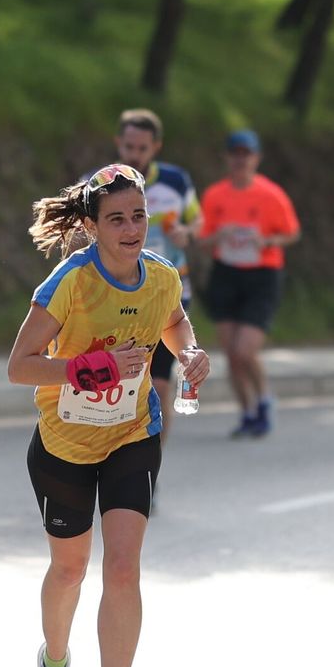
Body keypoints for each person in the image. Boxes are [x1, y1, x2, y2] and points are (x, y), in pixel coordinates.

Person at [7, 163, 211, 667]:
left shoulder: (162, 277)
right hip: (65, 442)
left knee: (122, 568)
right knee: (70, 569)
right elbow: (19, 366)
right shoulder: (70, 281)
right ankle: (54, 660)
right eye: (116, 219)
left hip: (131, 434)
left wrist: (192, 353)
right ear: (93, 226)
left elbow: (173, 323)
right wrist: (86, 369)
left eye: (139, 216)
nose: (131, 229)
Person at [196, 129, 300, 438]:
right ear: (227, 158)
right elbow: (203, 240)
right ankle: (248, 412)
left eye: (247, 154)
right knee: (230, 352)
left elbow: (291, 233)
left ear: (257, 158)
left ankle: (265, 398)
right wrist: (221, 235)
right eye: (235, 153)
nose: (241, 160)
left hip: (262, 275)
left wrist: (266, 240)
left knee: (245, 349)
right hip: (226, 272)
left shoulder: (271, 195)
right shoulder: (215, 195)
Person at [114, 108, 203, 445]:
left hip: (168, 294)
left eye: (142, 148)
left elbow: (199, 221)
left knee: (159, 384)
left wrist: (186, 232)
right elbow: (78, 231)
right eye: (128, 147)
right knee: (122, 383)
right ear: (118, 144)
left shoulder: (176, 182)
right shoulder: (101, 182)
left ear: (156, 147)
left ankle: (151, 468)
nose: (134, 155)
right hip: (117, 294)